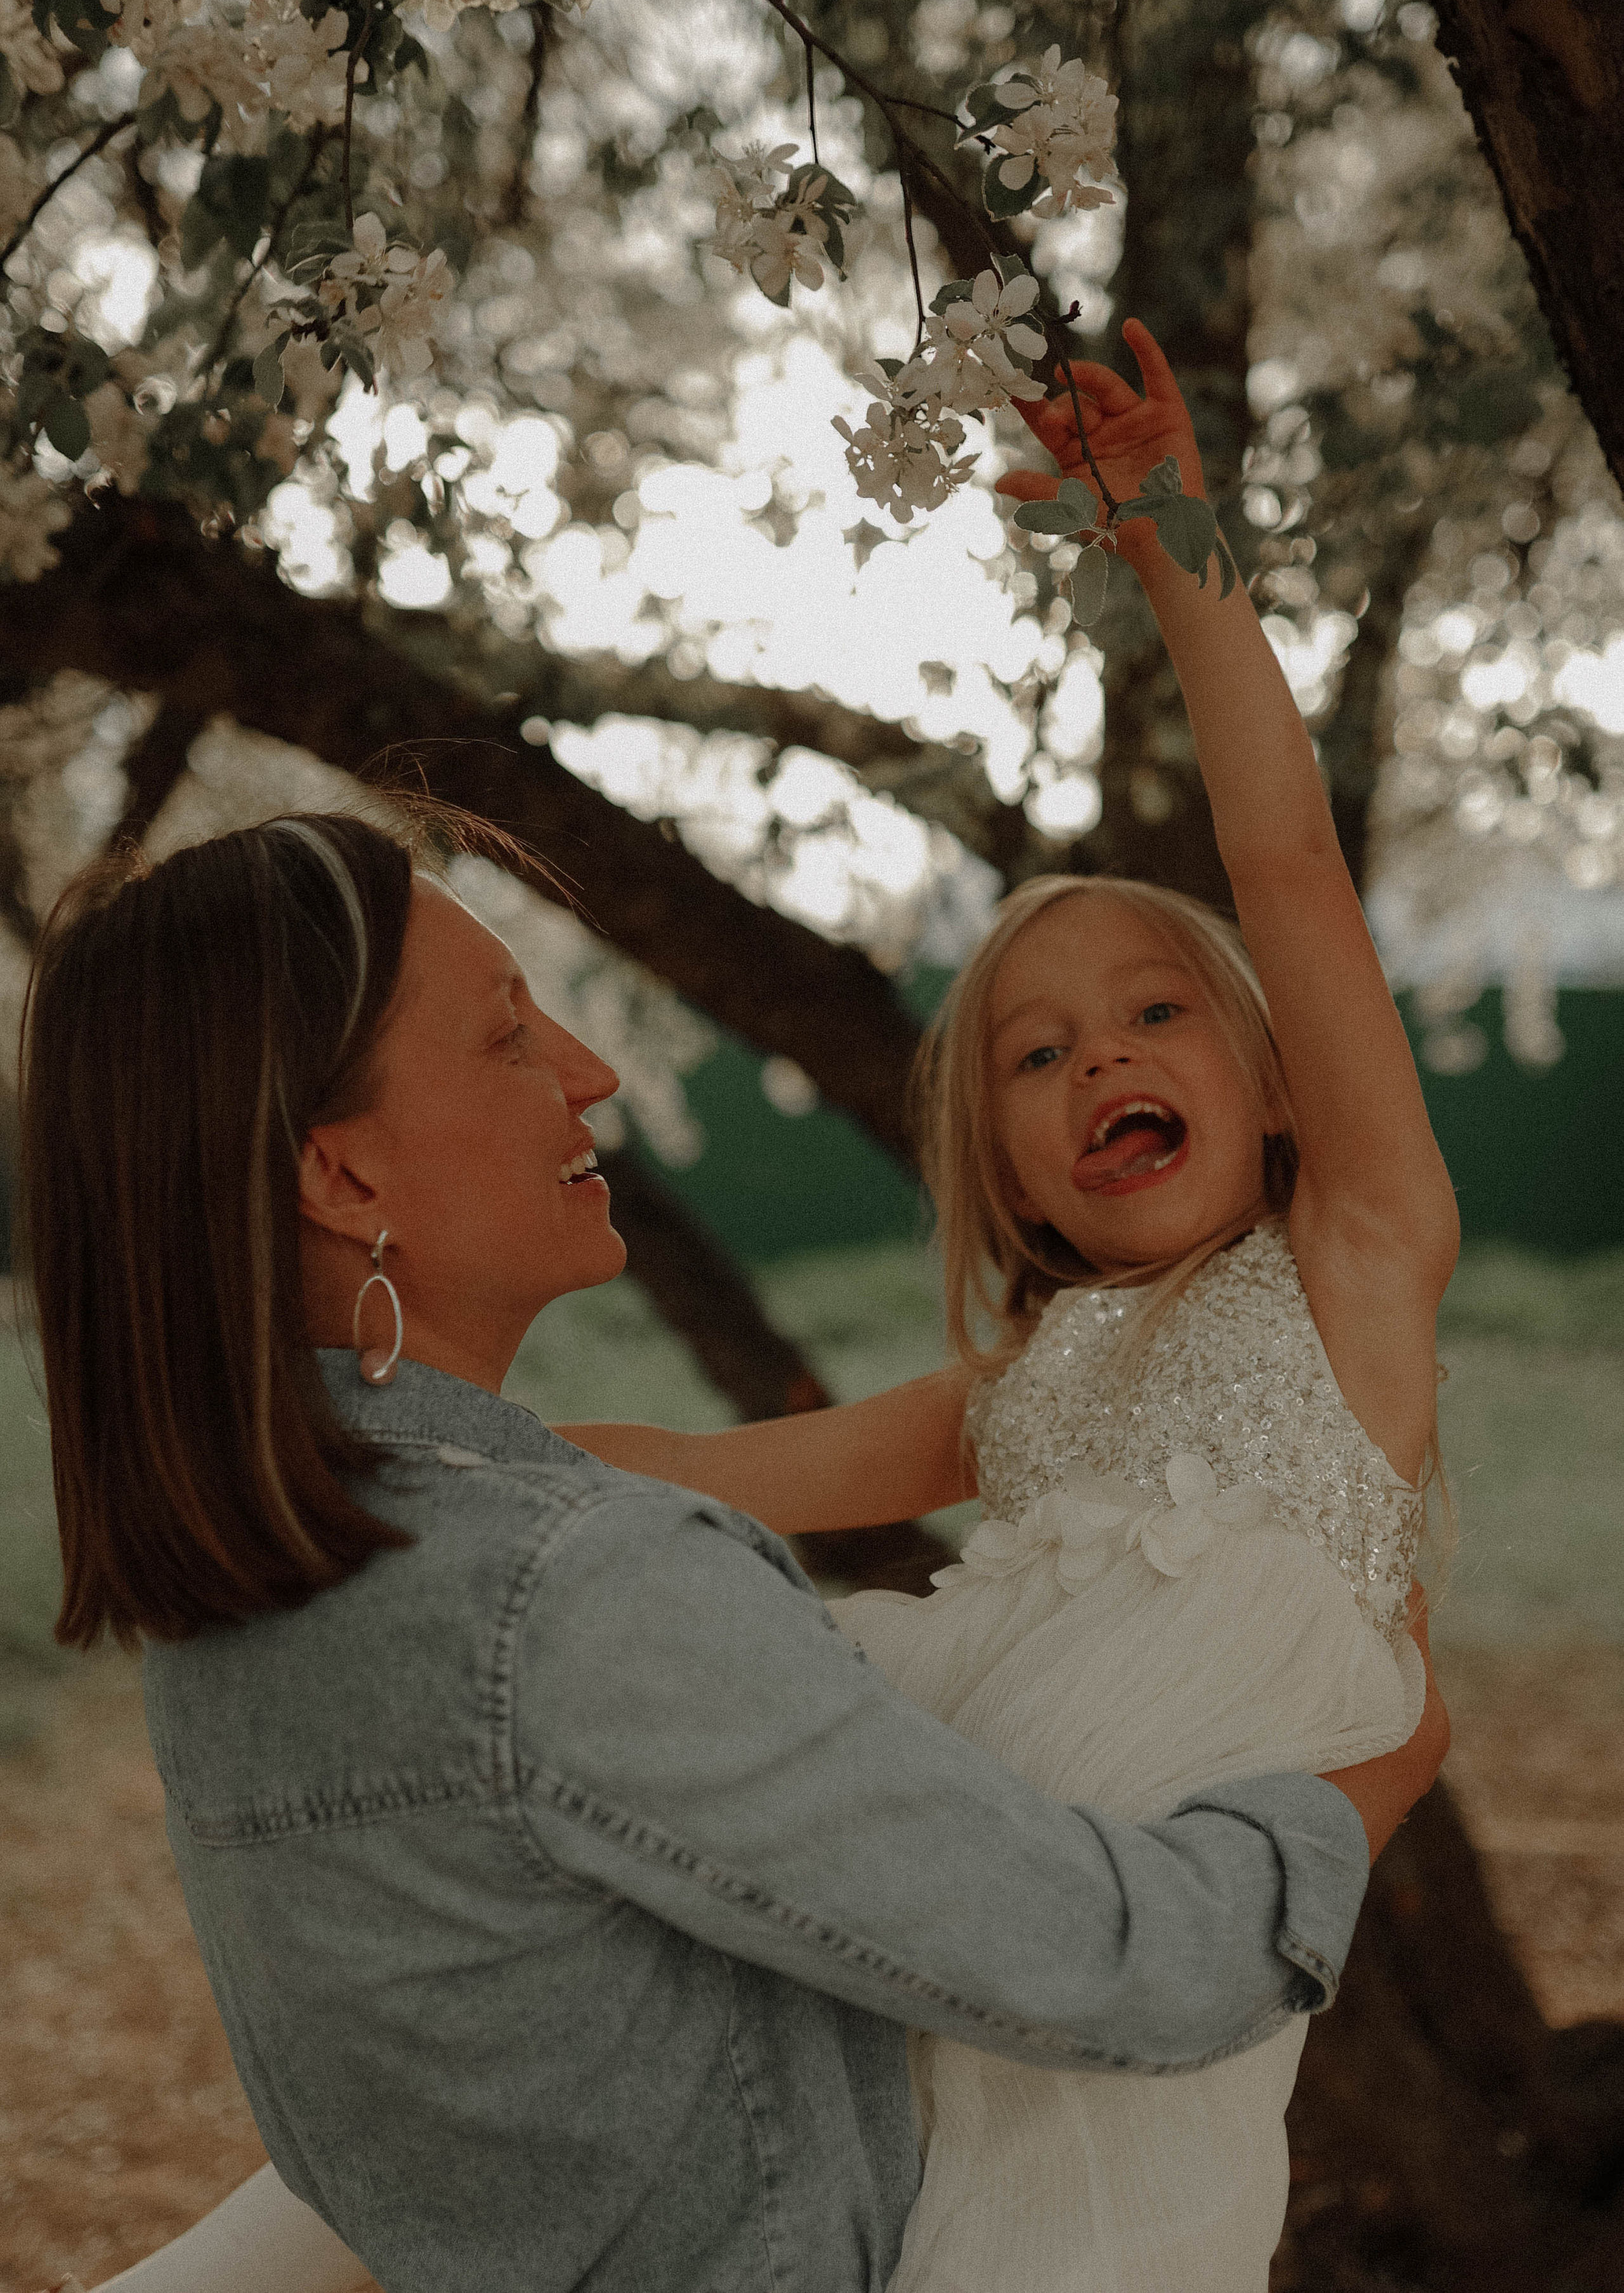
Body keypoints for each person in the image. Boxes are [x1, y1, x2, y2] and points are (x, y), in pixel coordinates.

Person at [19, 784, 1444, 2281]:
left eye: (1156, 1014)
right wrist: (1355, 1800)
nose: (589, 1072)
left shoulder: (262, 1598)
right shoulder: (565, 1594)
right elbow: (1122, 1966)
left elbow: (367, 2178)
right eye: (510, 1033)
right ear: (341, 1173)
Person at [565, 323, 1462, 2289]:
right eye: (1034, 1058)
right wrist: (421, 1457)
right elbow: (695, 1469)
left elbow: (1289, 868)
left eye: (1153, 1018)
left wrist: (1173, 547)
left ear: (1275, 1078)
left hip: (1130, 2016)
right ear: (1006, 1163)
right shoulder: (1016, 1394)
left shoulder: (1357, 1263)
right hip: (931, 1894)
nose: (1095, 1064)